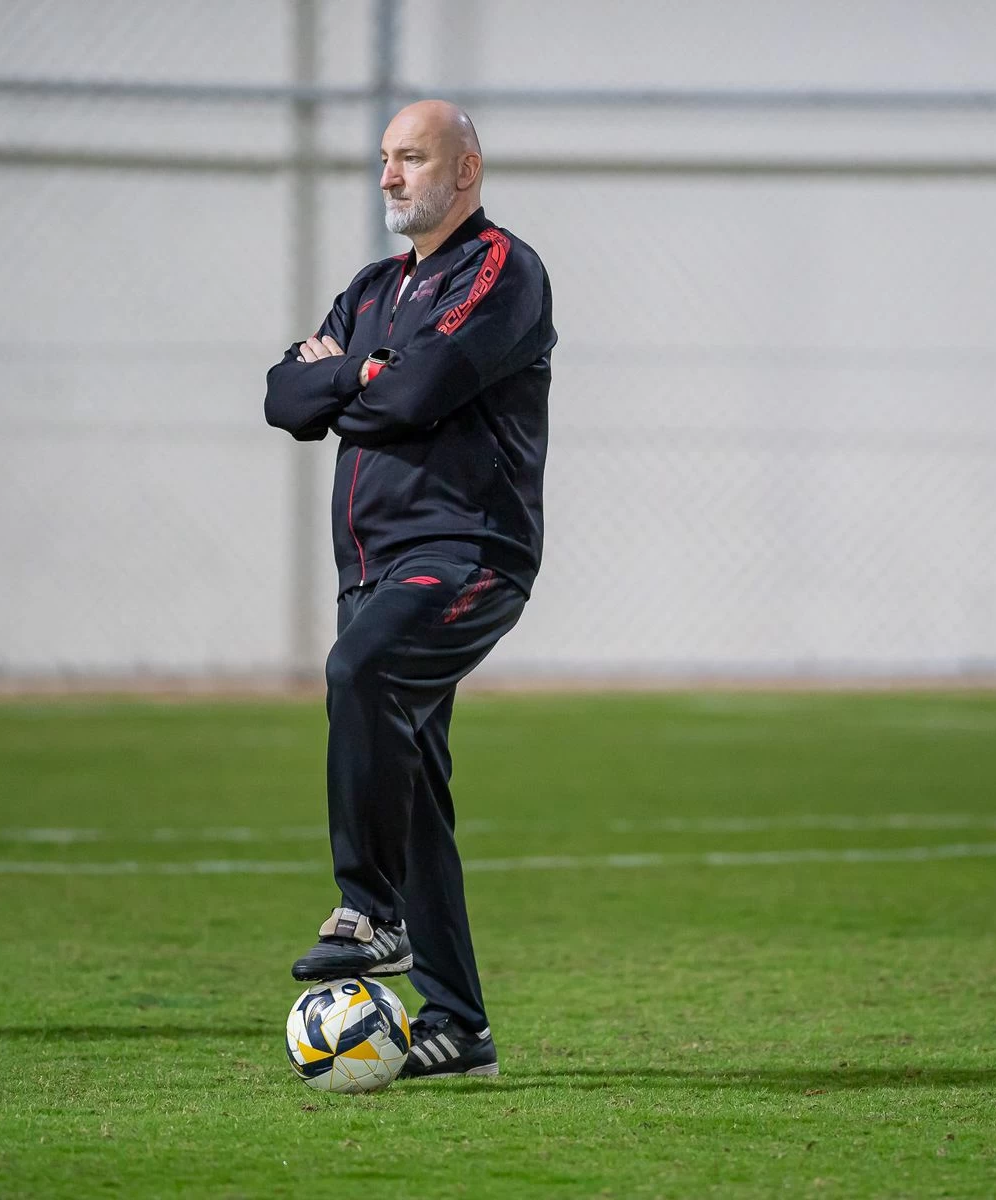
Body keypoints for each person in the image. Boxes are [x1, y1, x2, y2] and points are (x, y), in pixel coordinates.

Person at [263, 99, 555, 1079]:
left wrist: (345, 377)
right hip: (372, 565)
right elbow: (283, 398)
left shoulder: (502, 270)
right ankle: (460, 1028)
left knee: (363, 668)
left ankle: (370, 910)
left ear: (463, 169)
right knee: (412, 783)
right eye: (385, 158)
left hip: (467, 551)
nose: (389, 175)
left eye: (412, 157)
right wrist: (364, 371)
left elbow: (419, 393)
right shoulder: (373, 288)